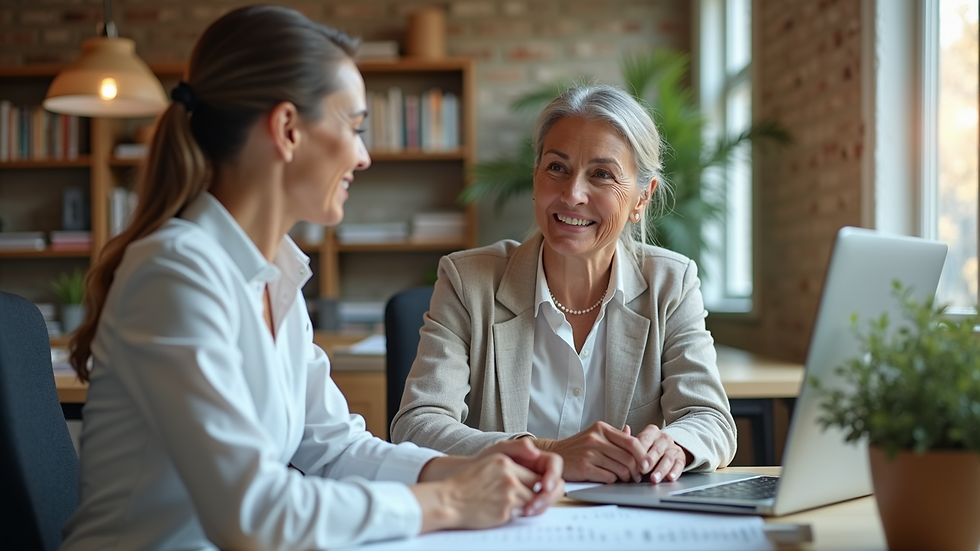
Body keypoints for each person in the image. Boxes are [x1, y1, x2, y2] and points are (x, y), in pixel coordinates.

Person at [60, 6, 563, 551]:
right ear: (287, 129)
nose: (364, 156)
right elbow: (252, 514)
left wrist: (466, 465)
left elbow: (335, 448)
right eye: (354, 127)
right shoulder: (175, 273)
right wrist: (452, 502)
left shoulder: (274, 273)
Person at [390, 84, 737, 485]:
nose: (572, 194)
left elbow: (710, 418)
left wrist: (675, 446)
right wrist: (551, 453)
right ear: (536, 176)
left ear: (642, 198)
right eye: (557, 168)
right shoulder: (468, 282)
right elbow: (417, 425)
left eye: (602, 175)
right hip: (501, 519)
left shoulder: (670, 284)